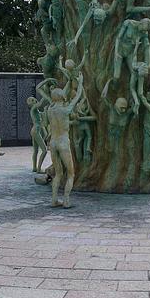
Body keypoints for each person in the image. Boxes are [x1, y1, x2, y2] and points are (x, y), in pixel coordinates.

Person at [47, 74, 84, 208]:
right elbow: (78, 95)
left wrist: (69, 81)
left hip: (53, 143)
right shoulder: (66, 110)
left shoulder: (50, 110)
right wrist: (80, 82)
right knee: (70, 173)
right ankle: (66, 200)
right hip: (63, 143)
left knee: (58, 173)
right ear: (62, 97)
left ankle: (54, 199)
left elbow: (58, 96)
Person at [27, 97, 48, 173]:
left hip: (35, 130)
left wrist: (45, 110)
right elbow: (40, 103)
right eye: (31, 100)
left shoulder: (37, 111)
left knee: (36, 150)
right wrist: (44, 94)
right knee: (44, 150)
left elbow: (44, 120)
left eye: (33, 99)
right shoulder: (33, 108)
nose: (34, 100)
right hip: (36, 130)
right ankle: (39, 169)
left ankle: (34, 167)